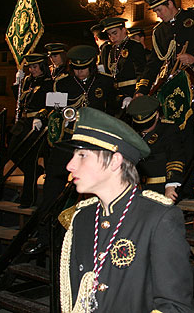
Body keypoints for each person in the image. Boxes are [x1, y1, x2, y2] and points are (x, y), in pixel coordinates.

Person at [57, 107, 194, 313]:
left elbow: (175, 307)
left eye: (82, 155)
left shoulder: (158, 218)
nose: (70, 165)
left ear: (115, 161)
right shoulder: (81, 217)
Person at [24, 45, 117, 255]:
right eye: (75, 68)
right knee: (51, 188)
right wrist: (41, 115)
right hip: (68, 140)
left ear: (92, 66)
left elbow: (113, 111)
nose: (79, 72)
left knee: (95, 192)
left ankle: (98, 241)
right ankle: (44, 237)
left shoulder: (106, 82)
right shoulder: (63, 83)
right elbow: (53, 109)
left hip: (94, 144)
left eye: (83, 69)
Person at [136, 0, 194, 197]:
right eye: (155, 11)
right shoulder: (158, 32)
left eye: (159, 9)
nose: (158, 15)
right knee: (182, 139)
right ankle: (185, 187)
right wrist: (142, 89)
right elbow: (154, 63)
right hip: (176, 92)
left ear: (170, 3)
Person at [10, 53, 54, 207]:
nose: (32, 69)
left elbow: (50, 103)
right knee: (13, 151)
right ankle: (37, 170)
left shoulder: (48, 82)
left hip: (37, 122)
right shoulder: (28, 81)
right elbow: (20, 100)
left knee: (30, 159)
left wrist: (41, 117)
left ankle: (28, 199)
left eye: (35, 66)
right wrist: (18, 83)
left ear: (42, 67)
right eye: (30, 66)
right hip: (24, 121)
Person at [126, 95, 186, 201]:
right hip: (135, 188)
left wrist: (171, 186)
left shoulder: (168, 130)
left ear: (157, 115)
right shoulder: (131, 131)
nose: (144, 129)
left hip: (160, 188)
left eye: (147, 124)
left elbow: (175, 158)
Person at [100, 17, 147, 113]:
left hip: (131, 92)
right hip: (115, 96)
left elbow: (141, 72)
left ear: (124, 30)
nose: (112, 37)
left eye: (115, 33)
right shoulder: (109, 50)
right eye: (109, 35)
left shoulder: (134, 46)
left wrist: (137, 93)